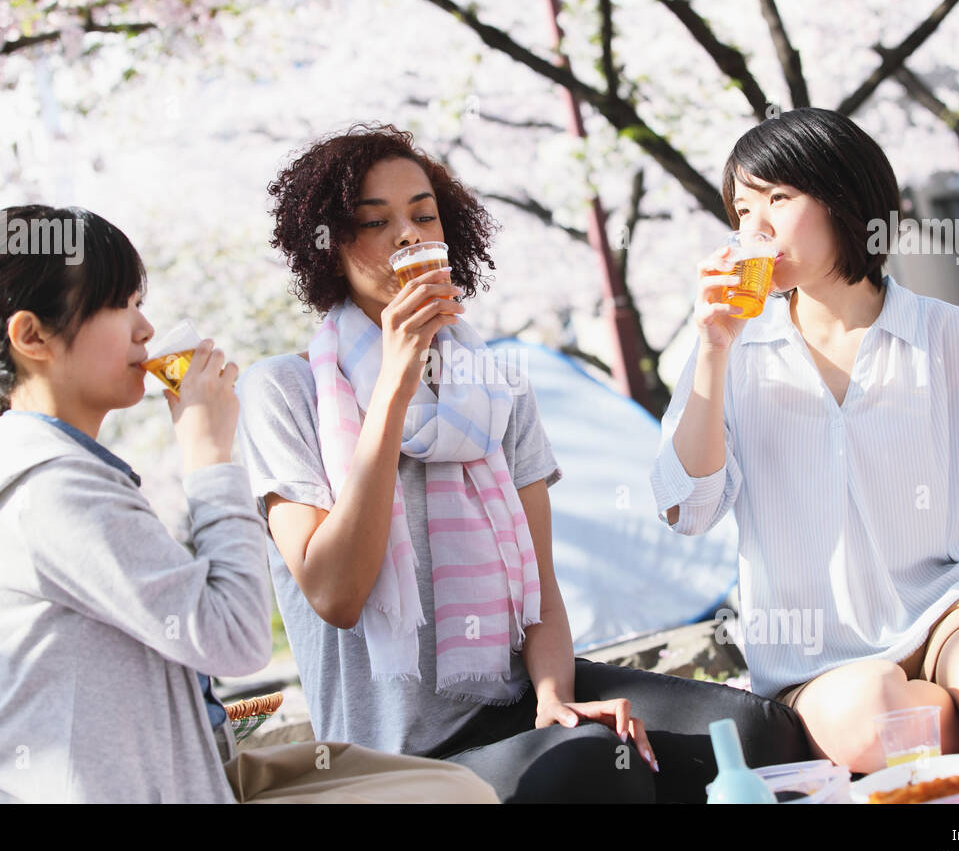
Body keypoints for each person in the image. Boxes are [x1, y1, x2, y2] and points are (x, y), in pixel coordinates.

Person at [238, 123, 811, 803]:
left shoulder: (494, 383)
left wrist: (552, 698)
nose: (408, 237)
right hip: (393, 751)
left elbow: (539, 582)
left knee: (757, 733)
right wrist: (393, 385)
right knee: (595, 770)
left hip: (512, 698)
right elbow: (336, 594)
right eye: (375, 222)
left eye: (425, 217)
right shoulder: (285, 389)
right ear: (330, 248)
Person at [0, 205, 495, 803]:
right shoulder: (50, 494)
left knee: (450, 788)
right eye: (119, 305)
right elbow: (238, 638)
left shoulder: (65, 475)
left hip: (194, 777)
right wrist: (209, 452)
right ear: (32, 336)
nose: (145, 328)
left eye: (140, 302)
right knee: (452, 797)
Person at [652, 107, 959, 773]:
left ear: (845, 199)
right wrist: (711, 351)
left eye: (777, 201)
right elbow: (687, 511)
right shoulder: (729, 352)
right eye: (740, 211)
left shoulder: (948, 334)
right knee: (878, 729)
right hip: (819, 653)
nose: (752, 230)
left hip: (952, 612)